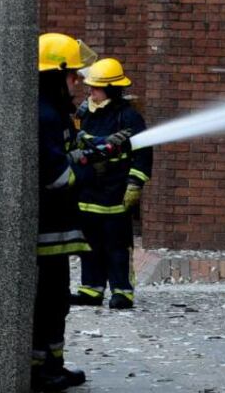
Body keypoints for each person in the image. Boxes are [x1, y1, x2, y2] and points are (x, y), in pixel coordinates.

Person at [33, 32, 120, 391]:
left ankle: (48, 364)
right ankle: (43, 370)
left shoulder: (49, 111)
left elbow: (67, 151)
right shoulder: (44, 114)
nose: (78, 81)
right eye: (72, 75)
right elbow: (57, 176)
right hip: (46, 231)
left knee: (52, 302)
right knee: (50, 303)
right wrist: (88, 168)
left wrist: (97, 149)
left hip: (52, 230)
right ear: (56, 75)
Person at [70, 58, 152, 310]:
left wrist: (135, 184)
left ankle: (121, 291)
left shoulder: (128, 117)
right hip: (87, 191)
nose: (91, 91)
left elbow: (143, 154)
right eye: (90, 87)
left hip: (116, 192)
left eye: (96, 87)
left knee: (116, 246)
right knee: (89, 243)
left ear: (111, 89)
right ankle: (91, 289)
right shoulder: (84, 114)